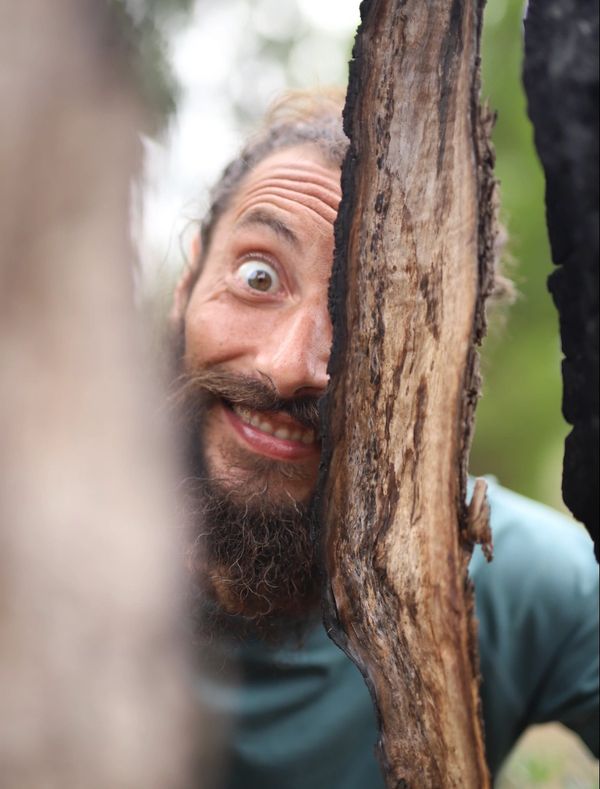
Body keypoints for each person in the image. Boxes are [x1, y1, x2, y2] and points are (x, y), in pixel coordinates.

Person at [168, 89, 599, 787]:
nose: (290, 365)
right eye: (258, 276)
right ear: (187, 283)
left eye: (376, 316)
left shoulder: (519, 588)